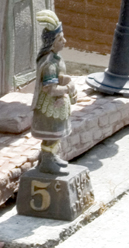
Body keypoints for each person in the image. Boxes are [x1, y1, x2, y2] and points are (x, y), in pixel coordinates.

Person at [31, 10, 78, 175]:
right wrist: (67, 89)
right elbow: (50, 89)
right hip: (49, 106)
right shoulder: (49, 64)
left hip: (56, 106)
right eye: (60, 39)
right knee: (51, 134)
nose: (64, 41)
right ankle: (47, 162)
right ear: (52, 43)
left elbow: (59, 77)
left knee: (56, 134)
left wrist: (65, 79)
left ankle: (50, 157)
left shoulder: (56, 59)